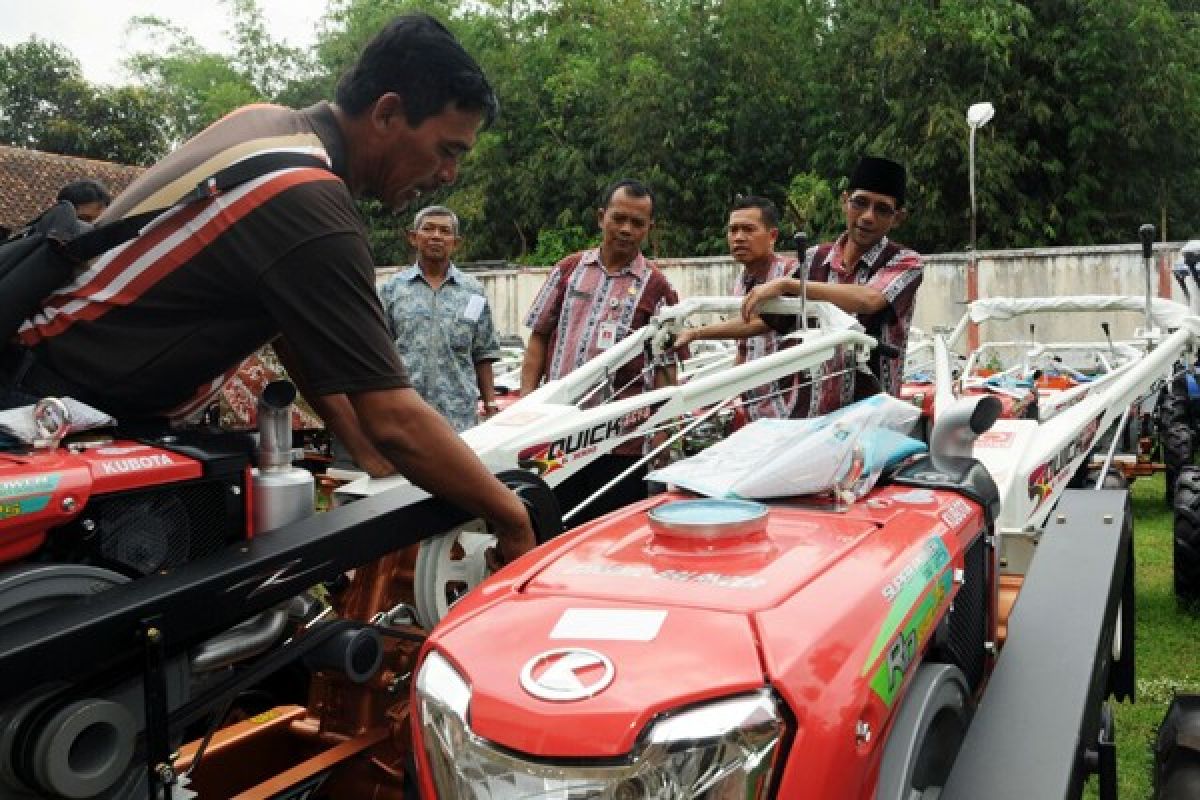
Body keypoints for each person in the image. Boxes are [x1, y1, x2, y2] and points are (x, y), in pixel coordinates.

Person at [0, 14, 536, 564]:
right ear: (388, 113)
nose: (447, 174)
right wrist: (511, 516)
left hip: (41, 385)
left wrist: (370, 456)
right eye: (448, 150)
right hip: (51, 421)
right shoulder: (309, 203)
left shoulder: (265, 123)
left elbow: (291, 330)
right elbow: (396, 417)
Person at [678, 157, 922, 417]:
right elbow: (763, 322)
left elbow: (870, 299)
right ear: (844, 201)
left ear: (898, 218)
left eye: (882, 209)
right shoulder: (815, 259)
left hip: (872, 414)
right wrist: (696, 334)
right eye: (860, 203)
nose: (867, 217)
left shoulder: (905, 262)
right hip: (809, 418)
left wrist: (788, 284)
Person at [520, 179, 682, 523]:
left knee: (608, 533)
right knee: (551, 526)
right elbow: (538, 338)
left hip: (620, 442)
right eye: (618, 219)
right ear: (600, 218)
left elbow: (667, 367)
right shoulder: (568, 270)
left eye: (637, 223)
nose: (626, 230)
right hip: (556, 435)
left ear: (649, 229)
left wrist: (664, 433)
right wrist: (526, 405)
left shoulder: (657, 286)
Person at [674, 196, 798, 420]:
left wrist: (697, 333)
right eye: (733, 230)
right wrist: (723, 395)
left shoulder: (791, 274)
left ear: (772, 236)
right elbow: (744, 349)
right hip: (755, 409)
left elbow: (760, 325)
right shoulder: (741, 282)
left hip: (791, 408)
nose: (739, 238)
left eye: (748, 229)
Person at [378, 205, 500, 432]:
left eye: (444, 231)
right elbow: (379, 352)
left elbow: (483, 353)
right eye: (428, 229)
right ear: (413, 238)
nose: (436, 236)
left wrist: (490, 403)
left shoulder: (473, 293)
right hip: (405, 414)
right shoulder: (391, 291)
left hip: (458, 417)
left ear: (456, 242)